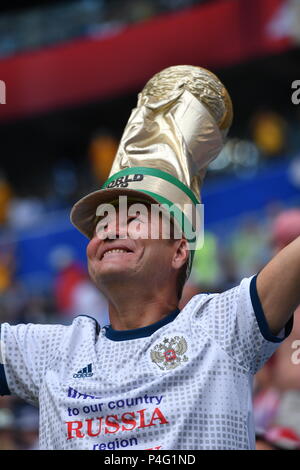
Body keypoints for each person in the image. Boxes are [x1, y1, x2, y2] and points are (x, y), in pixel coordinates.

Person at [0, 66, 299, 450]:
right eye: (103, 222)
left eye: (134, 218)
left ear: (178, 250)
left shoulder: (223, 327)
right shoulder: (52, 351)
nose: (110, 229)